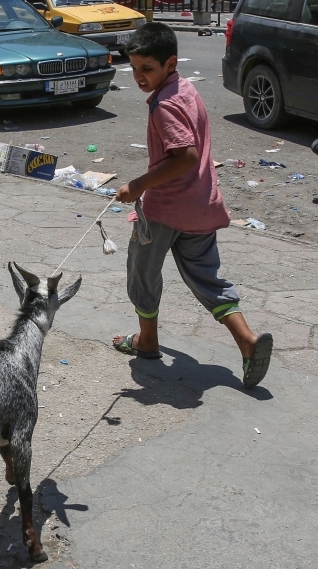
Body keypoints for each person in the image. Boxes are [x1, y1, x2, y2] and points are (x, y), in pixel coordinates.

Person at [111, 23, 273, 388]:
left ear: (170, 63)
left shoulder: (165, 105)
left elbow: (185, 157)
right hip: (201, 206)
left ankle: (147, 341)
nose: (138, 76)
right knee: (206, 277)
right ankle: (247, 341)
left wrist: (137, 186)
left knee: (142, 275)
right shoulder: (185, 90)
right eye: (134, 68)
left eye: (147, 69)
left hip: (165, 210)